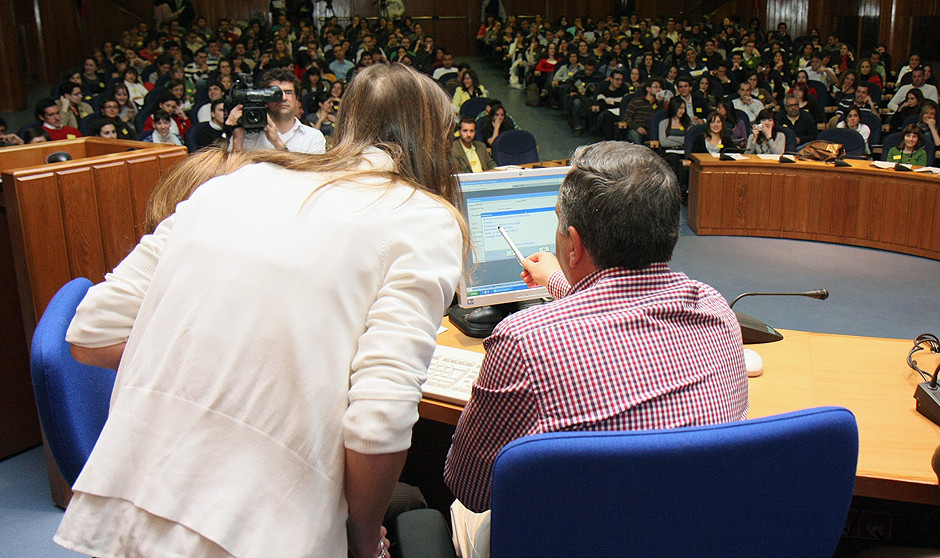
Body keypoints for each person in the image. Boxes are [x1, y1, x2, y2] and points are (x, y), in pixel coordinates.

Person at [55, 62, 466, 558]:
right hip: (263, 523)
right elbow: (379, 420)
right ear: (436, 140)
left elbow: (92, 332)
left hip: (135, 497)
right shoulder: (423, 217)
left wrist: (217, 360)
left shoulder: (232, 184)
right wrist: (362, 539)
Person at [443, 141, 749, 556]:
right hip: (684, 537)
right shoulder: (715, 308)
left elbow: (469, 486)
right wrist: (559, 281)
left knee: (459, 512)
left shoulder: (525, 341)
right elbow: (620, 306)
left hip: (567, 543)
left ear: (573, 244)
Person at [226, 67, 326, 154]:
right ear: (264, 99)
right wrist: (237, 138)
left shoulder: (313, 137)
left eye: (288, 92)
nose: (283, 98)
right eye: (275, 93)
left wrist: (277, 143)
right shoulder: (246, 137)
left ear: (297, 100)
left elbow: (310, 171)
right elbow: (233, 170)